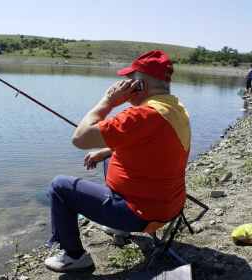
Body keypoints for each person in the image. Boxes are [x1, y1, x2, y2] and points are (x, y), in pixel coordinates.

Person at [44, 49, 191, 272]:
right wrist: (104, 152)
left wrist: (108, 101)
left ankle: (75, 256)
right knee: (109, 156)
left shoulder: (140, 117)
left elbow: (80, 138)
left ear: (140, 85)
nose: (123, 84)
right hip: (172, 205)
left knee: (60, 186)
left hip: (140, 214)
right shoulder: (175, 109)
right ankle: (120, 230)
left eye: (128, 81)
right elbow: (147, 142)